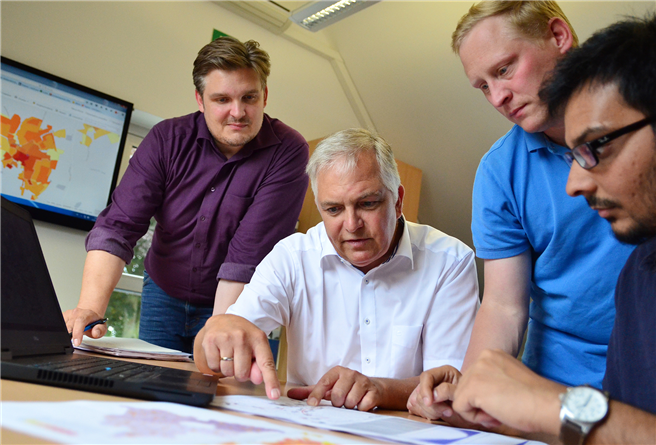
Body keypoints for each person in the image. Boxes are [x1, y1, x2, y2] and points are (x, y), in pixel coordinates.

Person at [407, 0, 636, 422]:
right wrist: (471, 391)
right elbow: (503, 305)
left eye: (504, 69)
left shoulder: (642, 118)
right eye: (482, 86)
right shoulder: (499, 171)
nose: (497, 97)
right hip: (556, 388)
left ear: (558, 36)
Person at [194, 128, 480, 410]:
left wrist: (381, 390)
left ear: (398, 200)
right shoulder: (292, 258)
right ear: (319, 207)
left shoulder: (449, 262)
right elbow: (213, 351)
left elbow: (450, 387)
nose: (352, 225)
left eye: (367, 203)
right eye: (333, 210)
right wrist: (216, 334)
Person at [64, 36, 309, 353]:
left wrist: (220, 330)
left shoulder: (288, 151)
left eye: (249, 97)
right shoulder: (166, 139)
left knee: (216, 389)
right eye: (222, 100)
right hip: (163, 292)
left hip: (237, 300)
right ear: (200, 99)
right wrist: (90, 310)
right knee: (153, 389)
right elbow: (119, 225)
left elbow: (247, 255)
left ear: (265, 95)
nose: (238, 112)